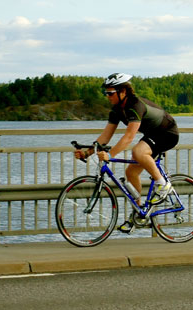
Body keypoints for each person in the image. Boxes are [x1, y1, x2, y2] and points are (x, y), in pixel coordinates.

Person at [74, 73, 179, 233]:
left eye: (110, 93)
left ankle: (163, 185)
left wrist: (110, 155)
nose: (107, 96)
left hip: (167, 132)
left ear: (123, 91)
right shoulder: (116, 110)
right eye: (106, 93)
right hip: (153, 134)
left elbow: (129, 136)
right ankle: (138, 214)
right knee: (131, 172)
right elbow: (105, 136)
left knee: (138, 151)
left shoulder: (135, 105)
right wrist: (87, 153)